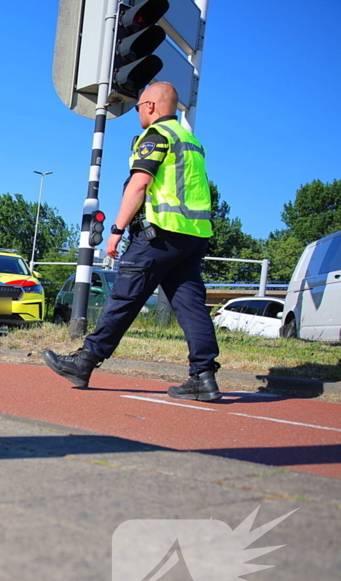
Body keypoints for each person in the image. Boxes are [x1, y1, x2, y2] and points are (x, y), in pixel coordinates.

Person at [43, 82, 220, 402]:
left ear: (151, 106)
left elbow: (139, 184)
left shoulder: (157, 136)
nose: (138, 112)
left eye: (139, 106)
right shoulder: (191, 141)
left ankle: (84, 361)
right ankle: (204, 376)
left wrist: (117, 229)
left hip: (158, 235)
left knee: (124, 298)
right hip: (193, 238)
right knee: (192, 306)